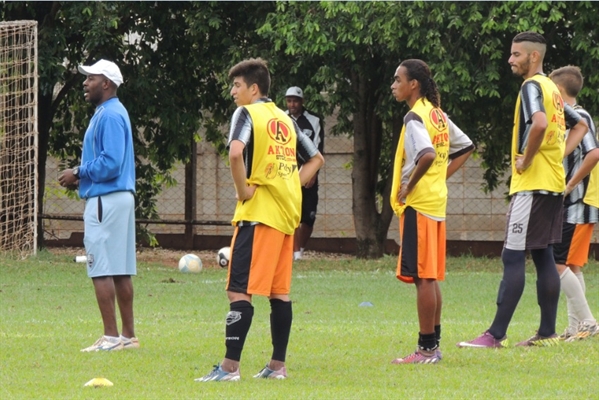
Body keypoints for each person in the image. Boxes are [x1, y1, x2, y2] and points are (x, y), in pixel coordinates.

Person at [457, 32, 588, 349]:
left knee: (512, 256)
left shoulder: (532, 86)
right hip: (553, 184)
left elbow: (540, 124)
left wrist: (526, 160)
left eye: (516, 54)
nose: (510, 59)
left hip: (532, 185)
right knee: (543, 256)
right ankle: (547, 334)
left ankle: (495, 335)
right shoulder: (553, 91)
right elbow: (579, 127)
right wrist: (556, 155)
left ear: (533, 57)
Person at [196, 58, 324, 382]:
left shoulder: (247, 113)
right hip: (285, 219)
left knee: (239, 291)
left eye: (236, 85)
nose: (232, 92)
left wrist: (243, 191)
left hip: (258, 216)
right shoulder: (286, 119)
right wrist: (291, 184)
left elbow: (236, 153)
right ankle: (277, 366)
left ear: (254, 88)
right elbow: (317, 158)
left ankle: (229, 368)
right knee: (279, 293)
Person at [389, 59, 474, 364]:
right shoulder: (437, 114)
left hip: (420, 205)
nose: (393, 85)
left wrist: (409, 186)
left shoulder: (414, 116)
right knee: (431, 277)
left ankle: (426, 350)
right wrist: (440, 177)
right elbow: (466, 147)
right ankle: (433, 345)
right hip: (436, 203)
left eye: (398, 80)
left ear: (414, 84)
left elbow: (425, 154)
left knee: (423, 277)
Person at [58, 59, 139, 352]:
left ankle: (111, 337)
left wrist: (79, 172)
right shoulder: (111, 112)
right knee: (120, 268)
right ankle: (128, 337)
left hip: (106, 199)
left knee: (100, 266)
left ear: (106, 83)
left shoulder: (109, 115)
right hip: (116, 197)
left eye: (90, 78)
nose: (85, 83)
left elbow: (111, 162)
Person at [549, 65, 599, 341]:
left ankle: (589, 323)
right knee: (571, 265)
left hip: (579, 203)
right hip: (579, 204)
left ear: (558, 92)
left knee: (557, 262)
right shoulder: (572, 118)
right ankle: (574, 328)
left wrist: (569, 187)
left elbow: (593, 155)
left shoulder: (579, 116)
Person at [285, 86, 325, 261]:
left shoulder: (314, 120)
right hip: (287, 174)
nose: (292, 104)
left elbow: (318, 147)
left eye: (295, 100)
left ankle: (300, 249)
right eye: (289, 100)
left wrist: (313, 172)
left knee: (308, 216)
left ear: (302, 101)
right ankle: (293, 253)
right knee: (291, 211)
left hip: (308, 172)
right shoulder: (281, 119)